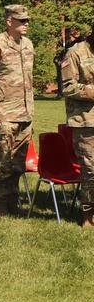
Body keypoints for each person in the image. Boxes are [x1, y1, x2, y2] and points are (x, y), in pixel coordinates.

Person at [0, 4, 34, 217]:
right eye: (22, 20)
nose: (26, 24)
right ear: (9, 21)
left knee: (19, 164)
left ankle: (14, 201)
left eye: (27, 20)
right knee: (3, 161)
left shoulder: (28, 45)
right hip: (4, 114)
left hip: (25, 113)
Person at [60, 28, 94, 227]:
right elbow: (68, 86)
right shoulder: (75, 53)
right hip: (85, 121)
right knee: (91, 170)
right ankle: (88, 215)